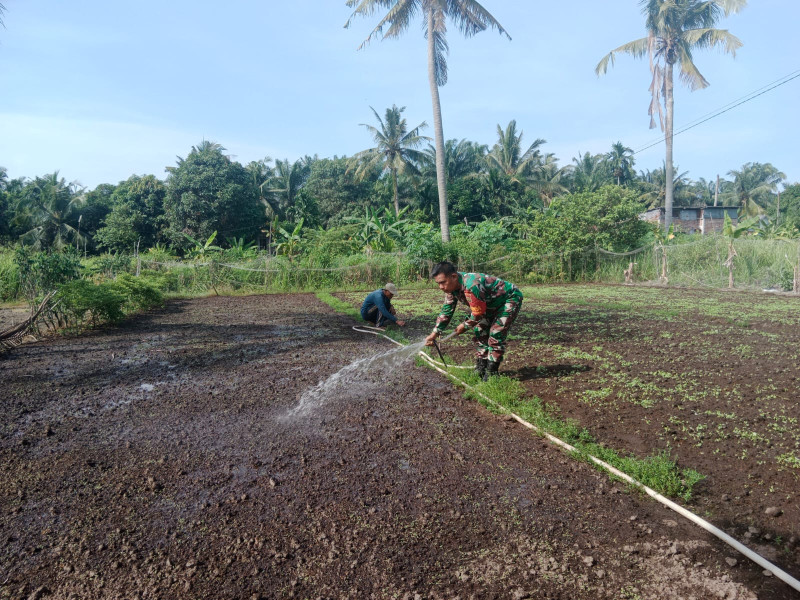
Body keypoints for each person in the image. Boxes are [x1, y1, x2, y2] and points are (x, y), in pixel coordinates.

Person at [424, 261, 523, 380]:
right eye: (438, 283)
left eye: (443, 282)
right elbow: (447, 309)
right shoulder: (452, 287)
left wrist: (464, 326)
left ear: (454, 277)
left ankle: (491, 373)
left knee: (496, 334)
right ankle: (481, 367)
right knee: (479, 331)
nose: (441, 287)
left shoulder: (471, 286)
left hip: (508, 299)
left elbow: (478, 314)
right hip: (488, 303)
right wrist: (435, 333)